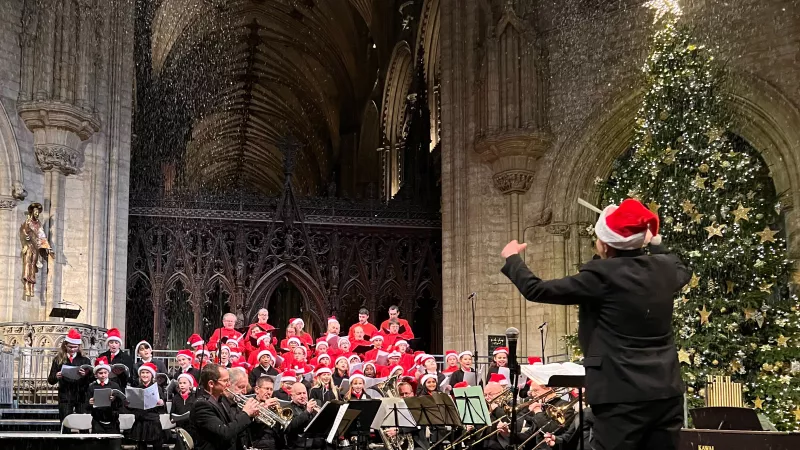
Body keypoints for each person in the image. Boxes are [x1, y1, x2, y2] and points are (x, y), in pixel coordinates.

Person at [500, 198, 689, 450]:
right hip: (665, 391)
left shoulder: (601, 276)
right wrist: (656, 242)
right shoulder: (665, 269)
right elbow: (679, 268)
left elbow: (537, 290)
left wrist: (512, 258)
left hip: (620, 395)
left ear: (605, 245)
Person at [191, 363, 259, 450]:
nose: (228, 384)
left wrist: (252, 415)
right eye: (225, 381)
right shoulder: (201, 405)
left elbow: (235, 425)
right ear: (211, 384)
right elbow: (225, 432)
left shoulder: (221, 399)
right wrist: (246, 413)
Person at [48, 329, 92, 422]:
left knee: (83, 423)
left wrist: (85, 375)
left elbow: (91, 379)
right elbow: (51, 380)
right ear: (65, 345)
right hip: (66, 395)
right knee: (65, 422)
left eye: (75, 347)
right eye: (70, 347)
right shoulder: (58, 359)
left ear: (79, 346)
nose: (72, 349)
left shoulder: (85, 360)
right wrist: (56, 376)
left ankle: (83, 437)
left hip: (81, 395)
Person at [130, 362, 167, 450]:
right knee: (141, 447)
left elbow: (162, 407)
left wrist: (161, 403)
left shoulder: (157, 388)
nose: (145, 375)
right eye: (143, 373)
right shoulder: (137, 388)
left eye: (147, 373)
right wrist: (129, 403)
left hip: (153, 421)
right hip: (140, 421)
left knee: (157, 445)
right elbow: (131, 408)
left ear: (152, 375)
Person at [86, 357, 124, 433]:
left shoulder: (114, 385)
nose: (103, 375)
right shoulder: (92, 387)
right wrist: (90, 403)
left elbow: (121, 402)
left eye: (105, 373)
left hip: (113, 419)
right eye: (100, 373)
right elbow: (86, 405)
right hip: (97, 420)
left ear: (108, 373)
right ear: (96, 374)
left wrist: (114, 399)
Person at [248, 377, 284, 450]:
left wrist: (279, 413)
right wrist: (264, 407)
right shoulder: (250, 403)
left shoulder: (273, 405)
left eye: (271, 389)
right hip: (257, 444)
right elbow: (252, 425)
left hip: (274, 443)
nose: (269, 392)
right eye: (266, 389)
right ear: (257, 389)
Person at [285, 383, 323, 450]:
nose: (302, 396)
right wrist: (307, 412)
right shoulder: (287, 409)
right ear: (291, 396)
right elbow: (290, 427)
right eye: (299, 394)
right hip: (298, 446)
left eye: (304, 393)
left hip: (316, 445)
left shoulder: (314, 406)